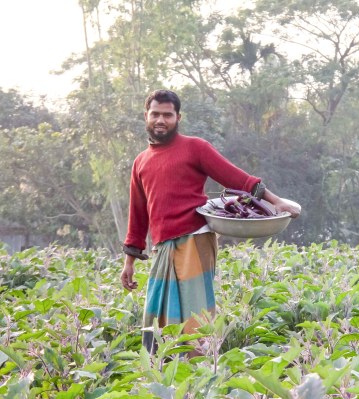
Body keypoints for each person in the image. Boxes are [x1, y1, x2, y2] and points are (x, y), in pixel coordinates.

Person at [120, 89, 300, 354]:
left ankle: (204, 381)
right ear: (146, 116)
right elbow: (137, 214)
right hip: (162, 249)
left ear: (178, 117)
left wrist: (275, 201)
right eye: (155, 114)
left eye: (167, 115)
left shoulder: (195, 147)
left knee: (195, 322)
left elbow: (236, 178)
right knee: (158, 321)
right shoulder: (140, 162)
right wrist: (129, 262)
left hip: (195, 240)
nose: (161, 120)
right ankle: (164, 385)